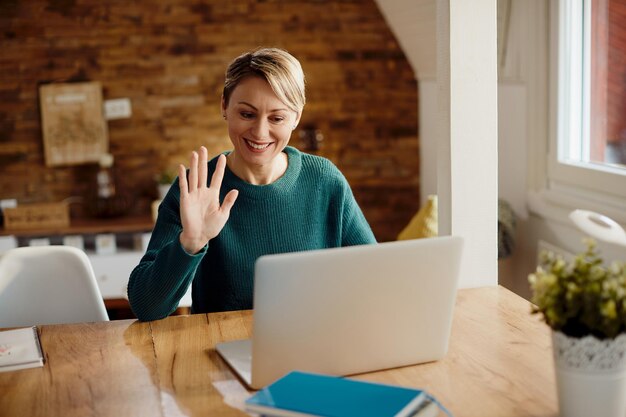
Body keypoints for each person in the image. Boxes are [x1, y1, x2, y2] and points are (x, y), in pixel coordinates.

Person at [128, 48, 376, 321]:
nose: (260, 132)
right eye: (247, 114)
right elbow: (146, 307)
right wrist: (190, 242)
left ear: (297, 116)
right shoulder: (195, 189)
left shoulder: (324, 181)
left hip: (313, 345)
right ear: (224, 106)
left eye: (277, 118)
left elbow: (375, 277)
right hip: (222, 353)